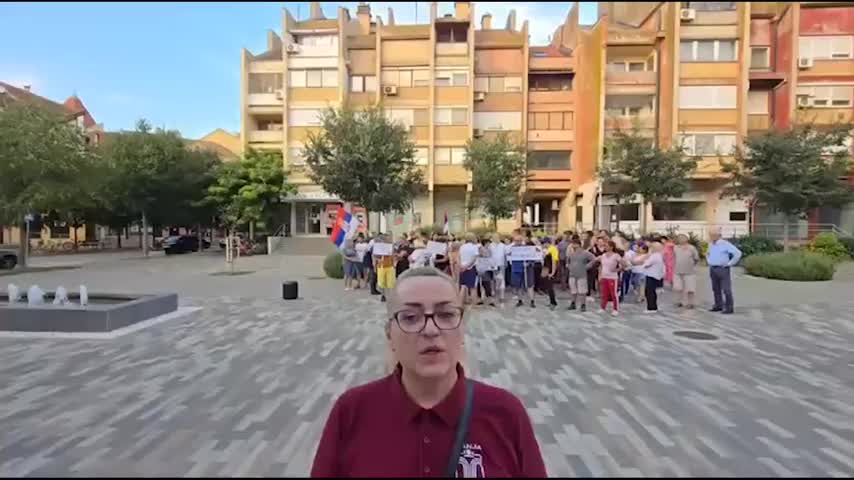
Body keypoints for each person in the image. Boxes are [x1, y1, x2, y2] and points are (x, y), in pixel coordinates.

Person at [311, 267, 547, 477]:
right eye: (410, 317)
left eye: (446, 315)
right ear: (389, 333)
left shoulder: (505, 413)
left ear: (462, 327)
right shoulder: (352, 412)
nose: (431, 330)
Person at [706, 230, 742, 314]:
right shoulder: (710, 244)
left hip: (722, 268)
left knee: (726, 289)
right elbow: (708, 253)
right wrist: (709, 261)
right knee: (715, 288)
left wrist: (730, 263)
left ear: (719, 235)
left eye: (714, 235)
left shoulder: (725, 244)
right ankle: (718, 305)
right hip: (713, 268)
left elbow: (738, 253)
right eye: (711, 235)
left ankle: (729, 308)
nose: (712, 237)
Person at [588, 240, 622, 316]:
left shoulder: (616, 256)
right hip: (604, 277)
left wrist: (617, 269)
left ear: (611, 247)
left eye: (606, 246)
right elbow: (594, 260)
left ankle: (615, 309)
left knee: (613, 294)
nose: (605, 247)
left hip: (612, 277)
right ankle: (602, 307)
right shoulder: (603, 255)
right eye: (604, 246)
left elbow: (624, 264)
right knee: (604, 293)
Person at [634, 242, 665, 313]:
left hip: (651, 276)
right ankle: (654, 307)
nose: (650, 249)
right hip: (655, 275)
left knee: (649, 292)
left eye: (651, 247)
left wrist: (644, 261)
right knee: (652, 292)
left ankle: (651, 308)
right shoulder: (658, 255)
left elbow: (647, 264)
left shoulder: (654, 256)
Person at [566, 239, 595, 311]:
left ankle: (583, 305)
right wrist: (568, 266)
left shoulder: (585, 253)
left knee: (582, 291)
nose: (572, 245)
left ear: (578, 244)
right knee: (573, 290)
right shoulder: (571, 253)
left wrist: (588, 265)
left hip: (581, 274)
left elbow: (593, 258)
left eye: (574, 244)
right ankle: (573, 304)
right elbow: (568, 261)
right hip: (572, 274)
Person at [672, 234, 700, 308]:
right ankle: (679, 301)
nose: (681, 239)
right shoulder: (675, 248)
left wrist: (692, 265)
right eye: (679, 238)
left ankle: (690, 303)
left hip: (689, 272)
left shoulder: (691, 248)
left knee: (690, 288)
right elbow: (673, 257)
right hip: (677, 271)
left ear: (687, 239)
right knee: (678, 288)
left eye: (682, 238)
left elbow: (696, 258)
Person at [509, 235, 536, 308]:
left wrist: (528, 263)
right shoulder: (512, 248)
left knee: (529, 286)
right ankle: (520, 300)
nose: (517, 242)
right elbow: (508, 257)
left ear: (521, 241)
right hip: (516, 269)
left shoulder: (526, 248)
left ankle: (532, 301)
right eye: (516, 241)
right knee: (518, 286)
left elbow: (532, 257)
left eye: (519, 241)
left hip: (526, 269)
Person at [458, 235, 479, 305]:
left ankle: (460, 303)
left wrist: (461, 266)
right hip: (471, 268)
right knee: (473, 287)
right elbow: (474, 259)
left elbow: (459, 257)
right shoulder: (474, 247)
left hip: (462, 267)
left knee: (463, 286)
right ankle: (474, 304)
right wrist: (467, 266)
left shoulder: (462, 246)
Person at [374, 234, 396, 302]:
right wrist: (376, 261)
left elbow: (393, 254)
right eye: (384, 238)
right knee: (381, 283)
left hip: (389, 266)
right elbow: (375, 256)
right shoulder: (378, 246)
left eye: (387, 238)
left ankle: (389, 296)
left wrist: (394, 263)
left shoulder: (391, 246)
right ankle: (383, 295)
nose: (386, 240)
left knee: (390, 283)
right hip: (381, 266)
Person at [475, 238, 495, 306]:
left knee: (487, 284)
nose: (489, 244)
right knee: (482, 284)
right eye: (488, 243)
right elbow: (480, 256)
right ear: (485, 243)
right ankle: (481, 299)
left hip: (487, 268)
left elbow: (491, 258)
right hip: (481, 269)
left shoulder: (489, 250)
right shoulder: (480, 248)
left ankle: (489, 299)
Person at [540, 237, 558, 309]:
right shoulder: (547, 249)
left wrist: (553, 272)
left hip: (550, 269)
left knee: (550, 287)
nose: (543, 244)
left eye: (543, 243)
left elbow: (554, 262)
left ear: (547, 243)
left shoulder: (553, 249)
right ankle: (552, 301)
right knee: (548, 286)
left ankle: (553, 303)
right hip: (546, 268)